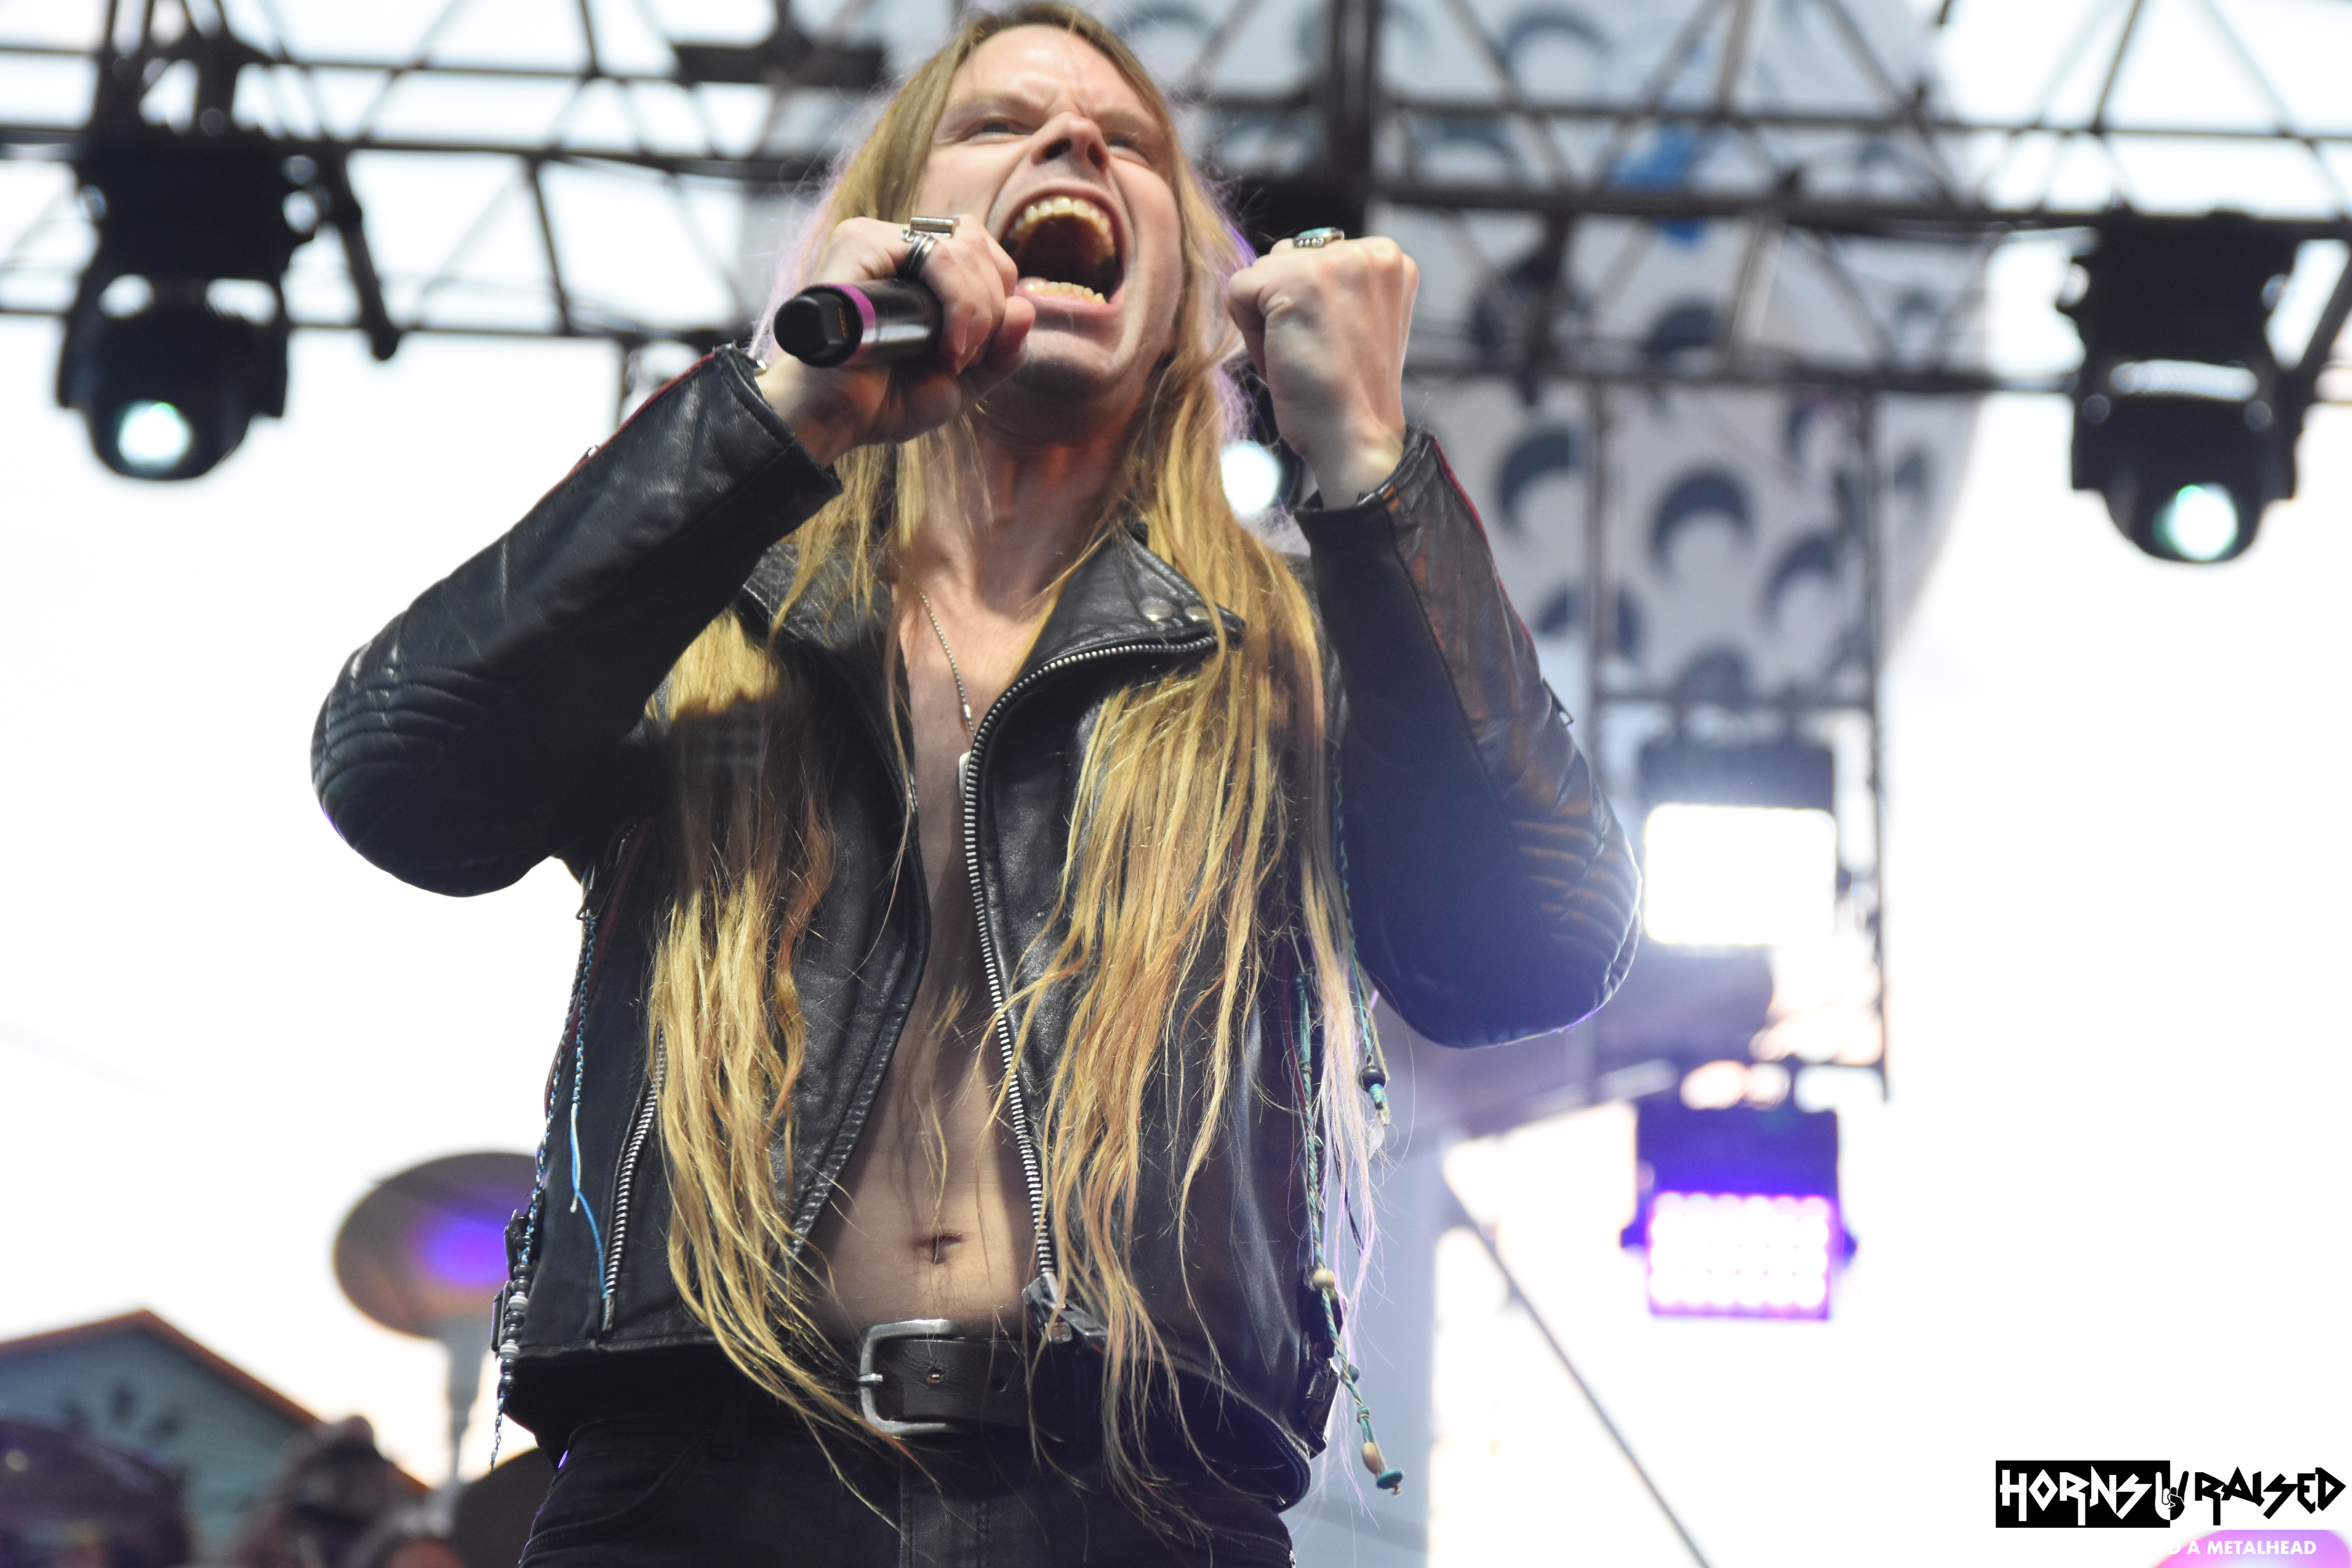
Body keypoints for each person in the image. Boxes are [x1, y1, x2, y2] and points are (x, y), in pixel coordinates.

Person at [310, 6, 1639, 1564]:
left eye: (1128, 143)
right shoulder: (709, 605)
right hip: (696, 1479)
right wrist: (779, 408)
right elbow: (401, 775)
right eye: (1001, 123)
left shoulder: (1286, 655)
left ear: (1189, 304)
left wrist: (1369, 458)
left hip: (1143, 1504)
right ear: (892, 227)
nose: (1074, 141)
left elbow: (1532, 947)